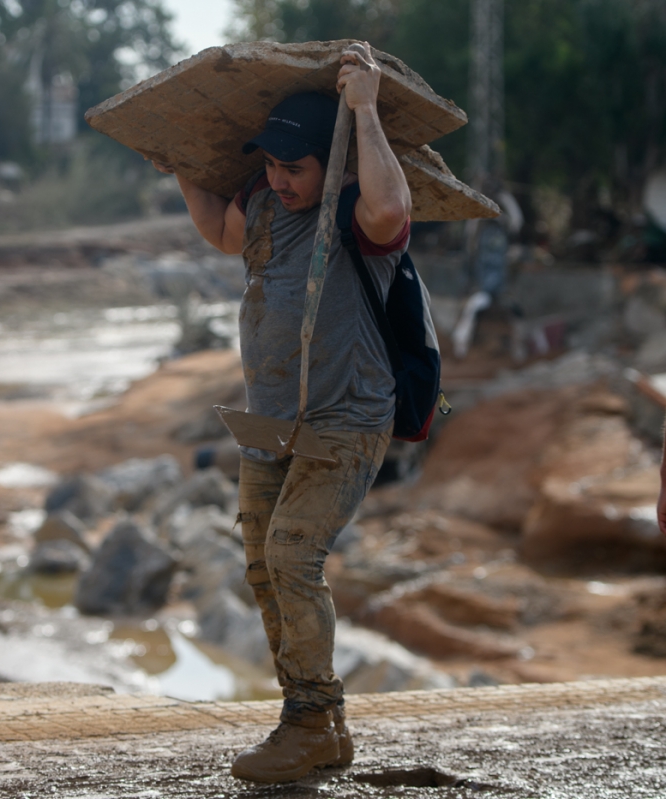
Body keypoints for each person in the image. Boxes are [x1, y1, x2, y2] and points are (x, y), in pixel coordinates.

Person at [153, 42, 411, 783]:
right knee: (263, 569)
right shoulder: (265, 207)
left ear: (333, 166)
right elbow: (220, 229)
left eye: (293, 166)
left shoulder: (363, 218)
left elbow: (393, 203)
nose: (278, 178)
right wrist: (178, 161)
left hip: (347, 420)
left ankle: (306, 719)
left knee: (294, 555)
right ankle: (320, 726)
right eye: (270, 164)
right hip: (270, 426)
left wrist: (362, 107)